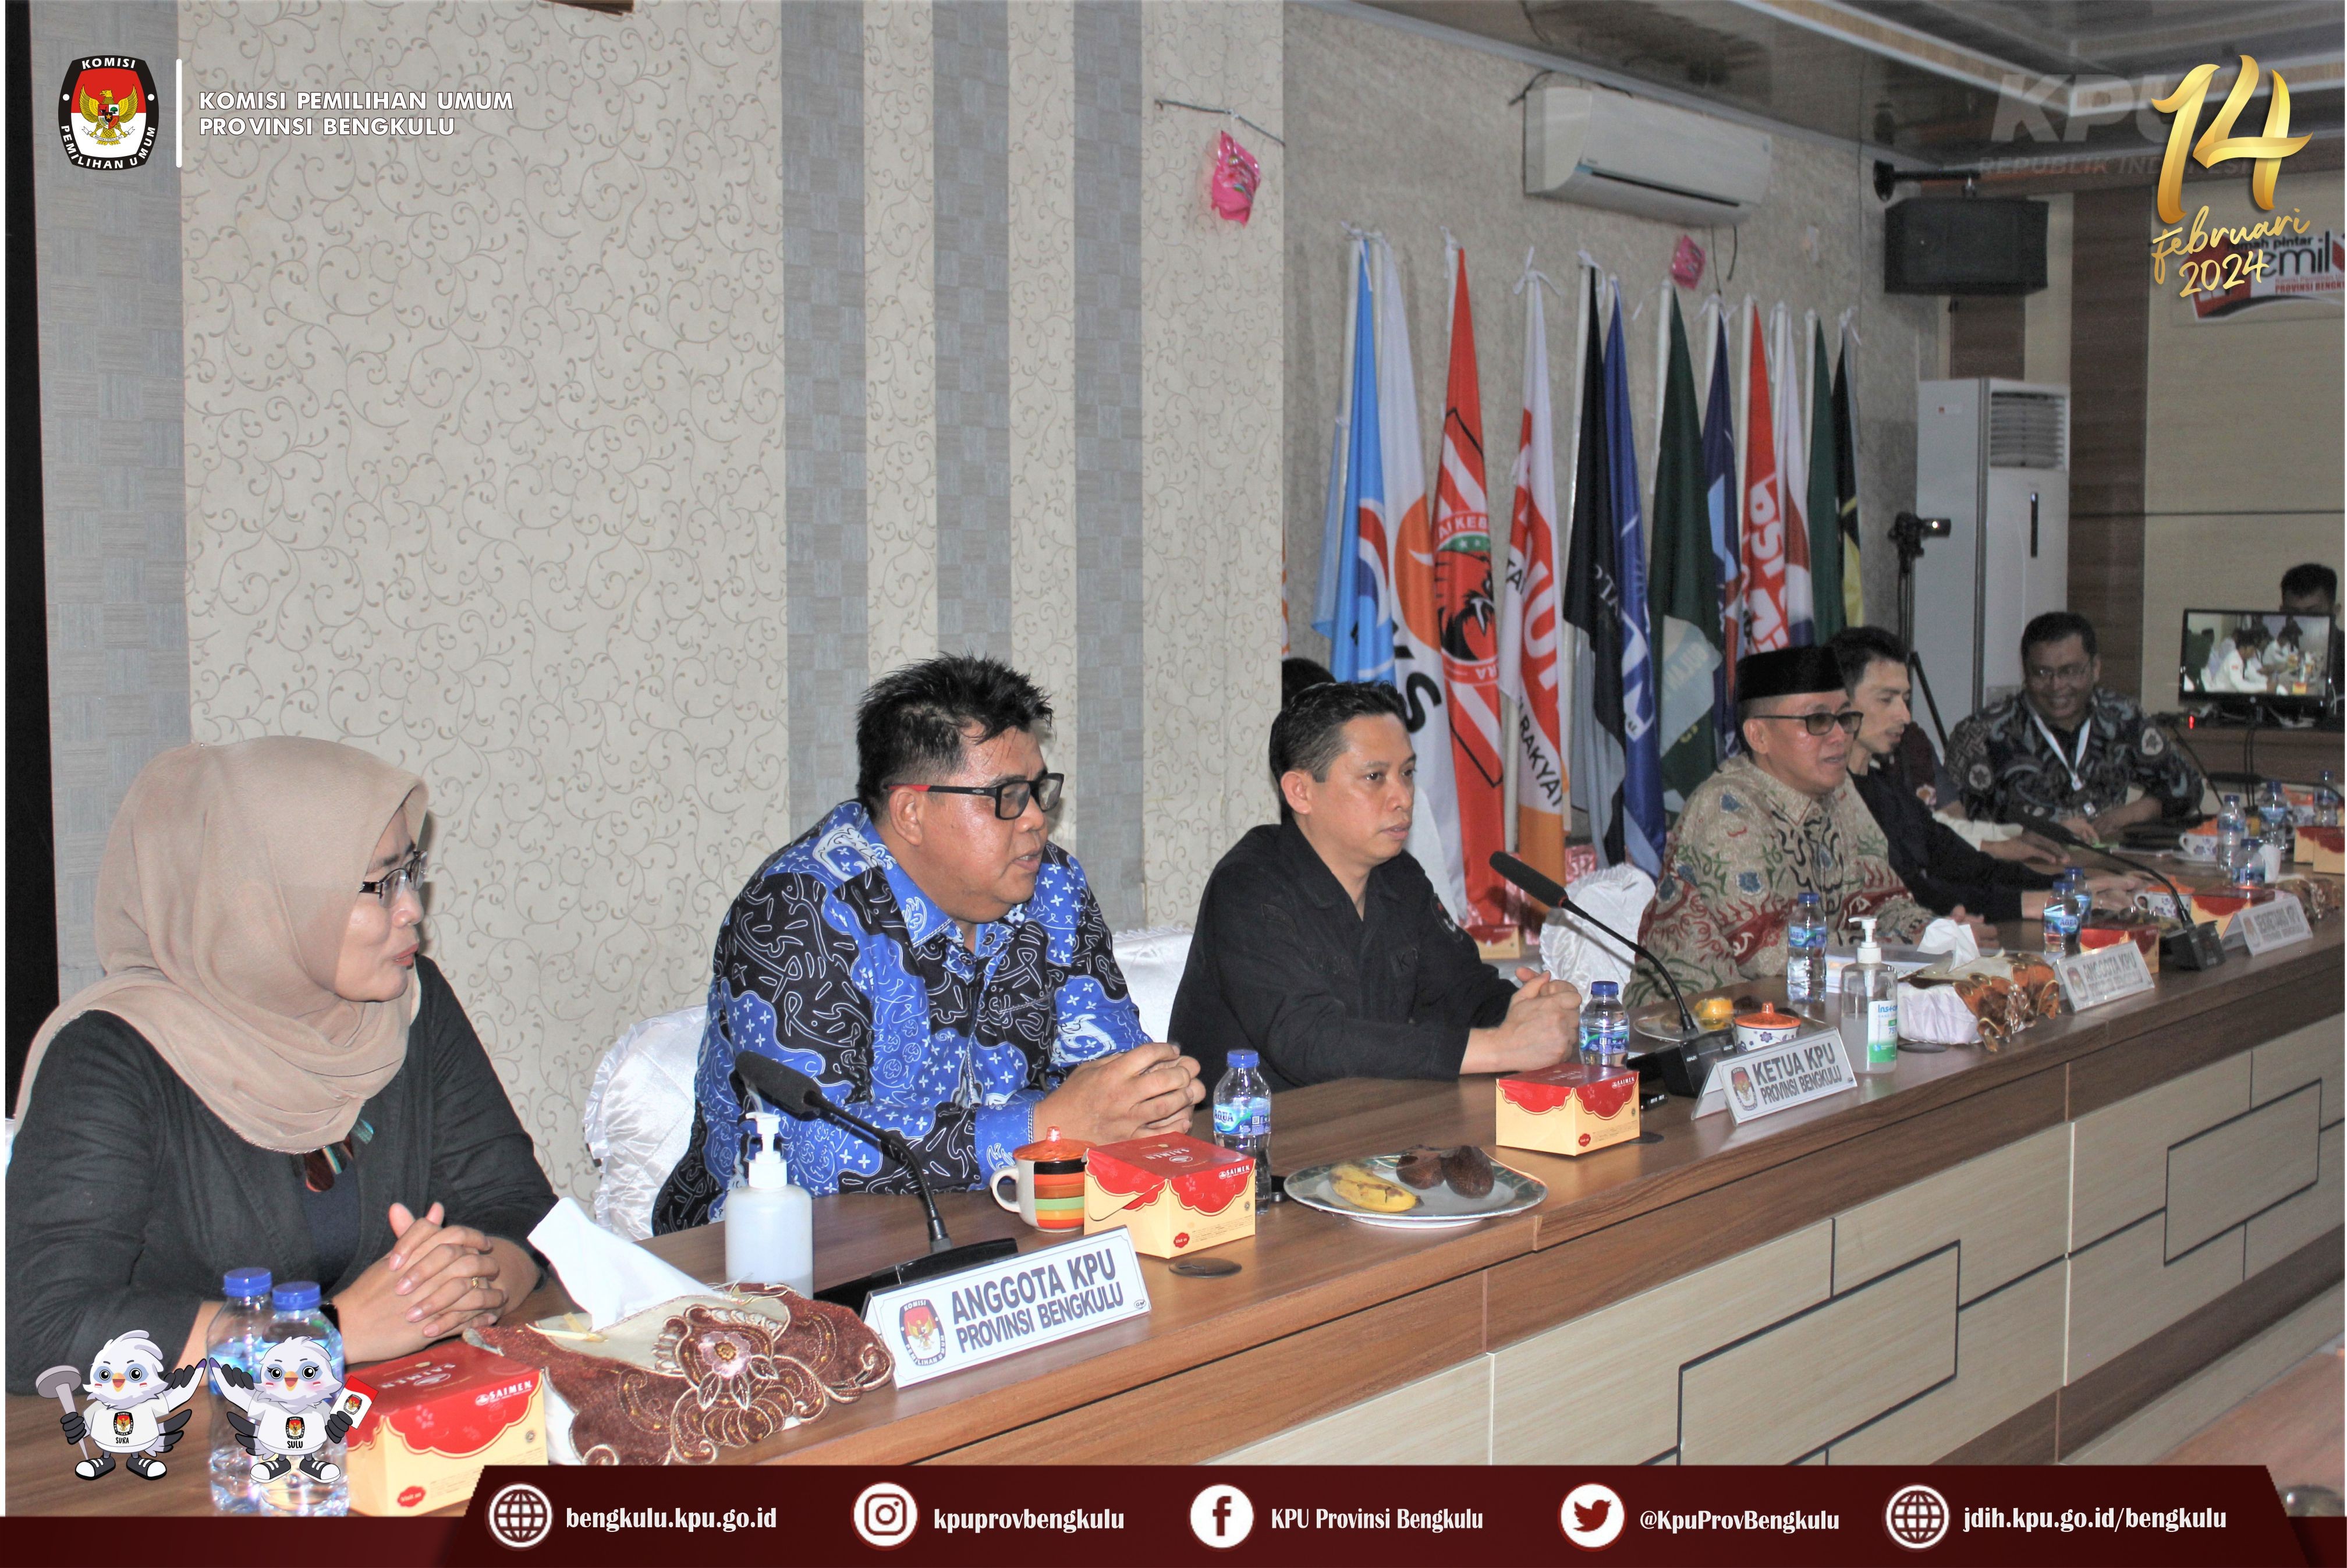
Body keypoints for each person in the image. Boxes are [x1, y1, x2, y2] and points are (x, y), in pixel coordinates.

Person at [8, 739, 556, 1393]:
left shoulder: (411, 1004)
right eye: (382, 884)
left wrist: (469, 1285)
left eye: (411, 871)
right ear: (260, 905)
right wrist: (330, 1333)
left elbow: (518, 1206)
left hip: (399, 1412)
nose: (412, 908)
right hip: (195, 1436)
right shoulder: (113, 1056)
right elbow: (41, 1330)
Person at [655, 655, 1197, 1225]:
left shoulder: (1054, 887)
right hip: (776, 1248)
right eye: (1008, 796)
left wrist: (1148, 1101)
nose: (1037, 819)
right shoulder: (797, 911)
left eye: (1038, 791)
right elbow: (808, 1150)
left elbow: (1108, 1071)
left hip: (997, 1216)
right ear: (911, 811)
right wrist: (1042, 1126)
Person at [1168, 681, 1578, 1093]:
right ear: (1301, 792)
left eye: (1407, 773)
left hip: (1373, 1116)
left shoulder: (1400, 877)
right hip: (1256, 1128)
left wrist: (1532, 1014)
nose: (1403, 798)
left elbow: (1464, 993)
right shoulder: (1247, 885)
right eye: (1374, 777)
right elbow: (1310, 1042)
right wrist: (1502, 1047)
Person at [1635, 648, 1958, 1007]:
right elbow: (1771, 954)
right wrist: (1892, 945)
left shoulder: (1840, 791)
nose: (1840, 736)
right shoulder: (1726, 806)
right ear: (1759, 736)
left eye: (1845, 718)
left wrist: (1935, 933)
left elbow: (1881, 900)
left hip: (1798, 1011)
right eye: (1818, 721)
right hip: (1690, 1023)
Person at [1832, 628, 2133, 923]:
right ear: (1840, 703)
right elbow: (1906, 894)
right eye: (1887, 700)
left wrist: (2071, 885)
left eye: (1905, 699)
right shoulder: (1831, 799)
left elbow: (1970, 866)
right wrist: (2030, 903)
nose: (1905, 716)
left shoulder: (1887, 788)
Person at [1944, 611, 2204, 839]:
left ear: (2096, 668)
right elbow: (1951, 825)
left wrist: (2129, 815)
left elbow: (2187, 786)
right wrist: (2039, 831)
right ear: (2026, 672)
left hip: (2108, 862)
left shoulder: (2121, 716)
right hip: (2020, 867)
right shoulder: (1982, 732)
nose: (2056, 686)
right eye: (2042, 673)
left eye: (2069, 671)